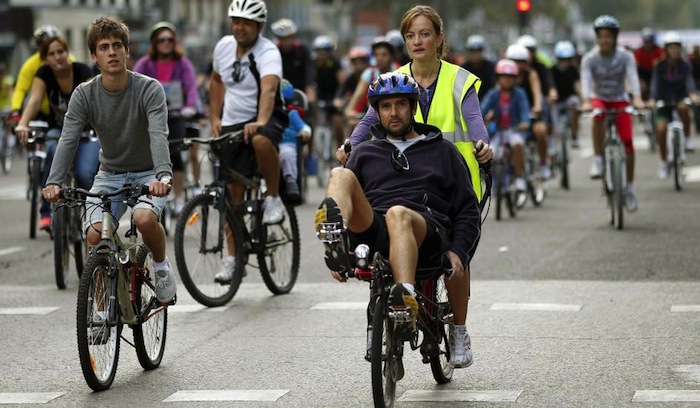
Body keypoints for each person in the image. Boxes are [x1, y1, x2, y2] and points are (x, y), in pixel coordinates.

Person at [315, 72, 481, 368]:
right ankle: (334, 238)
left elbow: (467, 209)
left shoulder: (443, 150)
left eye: (401, 105)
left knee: (398, 213)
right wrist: (350, 252)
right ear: (377, 112)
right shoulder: (365, 152)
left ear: (413, 107)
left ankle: (405, 301)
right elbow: (356, 202)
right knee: (340, 174)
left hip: (426, 230)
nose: (394, 112)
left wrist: (459, 250)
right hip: (376, 227)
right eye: (386, 106)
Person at [42, 17, 176, 304]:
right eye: (104, 47)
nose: (112, 52)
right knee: (94, 236)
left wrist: (163, 176)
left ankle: (161, 267)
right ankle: (102, 308)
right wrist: (53, 182)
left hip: (148, 174)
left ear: (127, 52)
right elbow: (68, 139)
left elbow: (158, 135)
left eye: (117, 46)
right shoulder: (85, 93)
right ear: (94, 56)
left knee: (143, 218)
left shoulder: (149, 89)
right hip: (110, 173)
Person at [347, 5, 492, 205]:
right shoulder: (394, 79)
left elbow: (474, 119)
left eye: (425, 34)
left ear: (439, 38)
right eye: (410, 35)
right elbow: (370, 119)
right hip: (407, 180)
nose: (417, 41)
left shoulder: (459, 79)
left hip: (456, 182)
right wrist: (350, 145)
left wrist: (483, 145)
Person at [209, 0, 289, 283]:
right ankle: (234, 259)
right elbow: (217, 80)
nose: (240, 27)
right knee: (231, 196)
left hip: (267, 115)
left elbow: (269, 90)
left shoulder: (268, 52)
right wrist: (215, 117)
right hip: (232, 121)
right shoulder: (223, 47)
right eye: (236, 21)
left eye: (247, 23)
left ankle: (273, 197)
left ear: (259, 27)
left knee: (260, 140)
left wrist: (261, 121)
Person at [14, 36, 99, 233]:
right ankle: (48, 210)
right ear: (45, 59)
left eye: (60, 51)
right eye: (51, 54)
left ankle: (93, 218)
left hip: (86, 132)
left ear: (67, 52)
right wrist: (23, 124)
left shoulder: (82, 70)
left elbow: (95, 100)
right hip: (58, 131)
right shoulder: (44, 74)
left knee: (85, 174)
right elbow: (34, 101)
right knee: (51, 150)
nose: (57, 57)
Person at [133, 21, 199, 215]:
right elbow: (135, 86)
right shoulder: (145, 64)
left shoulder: (183, 64)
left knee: (176, 153)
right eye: (162, 40)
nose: (166, 43)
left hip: (176, 115)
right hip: (151, 117)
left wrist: (190, 107)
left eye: (170, 39)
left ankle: (178, 197)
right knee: (150, 154)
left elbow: (191, 87)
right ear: (154, 42)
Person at [581, 15, 644, 211]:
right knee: (597, 114)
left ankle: (630, 189)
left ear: (615, 37)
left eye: (608, 36)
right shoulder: (589, 58)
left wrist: (638, 98)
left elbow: (633, 78)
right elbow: (585, 81)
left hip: (619, 99)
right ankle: (599, 160)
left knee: (628, 142)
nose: (604, 40)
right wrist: (585, 100)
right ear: (597, 38)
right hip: (599, 97)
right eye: (601, 36)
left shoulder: (626, 56)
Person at [649, 31, 700, 178]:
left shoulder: (685, 66)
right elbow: (655, 84)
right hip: (663, 102)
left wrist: (692, 95)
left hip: (680, 99)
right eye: (671, 47)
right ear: (665, 50)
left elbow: (689, 82)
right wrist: (652, 98)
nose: (675, 50)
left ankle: (687, 138)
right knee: (661, 129)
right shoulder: (659, 66)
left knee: (684, 107)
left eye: (677, 47)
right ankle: (664, 161)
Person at [480, 59, 530, 200]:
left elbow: (525, 111)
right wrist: (479, 121)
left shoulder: (519, 94)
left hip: (515, 130)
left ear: (515, 79)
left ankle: (519, 178)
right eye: (504, 77)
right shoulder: (493, 94)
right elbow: (481, 110)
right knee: (492, 154)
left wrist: (525, 122)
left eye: (510, 77)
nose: (507, 80)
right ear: (498, 78)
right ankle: (496, 183)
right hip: (497, 132)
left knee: (517, 145)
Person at [10, 26, 72, 125]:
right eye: (46, 49)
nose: (56, 57)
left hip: (66, 109)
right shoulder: (30, 65)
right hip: (42, 112)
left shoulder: (69, 60)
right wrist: (16, 110)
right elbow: (21, 89)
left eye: (59, 51)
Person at [505, 43, 550, 180]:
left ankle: (543, 163)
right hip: (511, 115)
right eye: (513, 61)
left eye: (520, 62)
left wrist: (537, 107)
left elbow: (537, 93)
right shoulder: (504, 75)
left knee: (540, 131)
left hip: (531, 114)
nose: (517, 65)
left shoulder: (531, 75)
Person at [344, 37, 395, 126]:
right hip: (373, 117)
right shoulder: (369, 74)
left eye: (384, 54)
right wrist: (349, 111)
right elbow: (357, 95)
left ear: (391, 56)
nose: (380, 58)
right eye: (376, 55)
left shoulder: (399, 72)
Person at [279, 79, 311, 202]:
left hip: (287, 144)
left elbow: (304, 127)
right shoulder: (267, 113)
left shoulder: (292, 113)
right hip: (272, 142)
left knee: (287, 154)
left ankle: (290, 180)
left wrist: (305, 132)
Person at [271, 18, 316, 104]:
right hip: (280, 91)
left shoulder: (302, 50)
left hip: (301, 91)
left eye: (290, 38)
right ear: (279, 39)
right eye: (284, 39)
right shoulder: (273, 52)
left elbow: (309, 69)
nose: (288, 42)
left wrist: (309, 88)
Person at [312, 35, 345, 150]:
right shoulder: (313, 64)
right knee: (310, 123)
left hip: (334, 97)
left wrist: (339, 99)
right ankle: (311, 154)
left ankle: (341, 150)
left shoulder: (335, 64)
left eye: (325, 51)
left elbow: (342, 84)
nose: (322, 54)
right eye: (319, 51)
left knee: (337, 123)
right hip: (318, 97)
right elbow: (310, 83)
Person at [551, 40, 582, 148]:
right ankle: (554, 143)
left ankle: (574, 135)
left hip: (569, 99)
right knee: (552, 120)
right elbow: (550, 85)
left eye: (567, 59)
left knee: (575, 104)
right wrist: (552, 93)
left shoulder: (573, 70)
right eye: (562, 60)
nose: (564, 62)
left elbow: (577, 84)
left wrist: (583, 97)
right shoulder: (552, 70)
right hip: (556, 101)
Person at [461, 35, 495, 100]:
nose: (475, 54)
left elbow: (492, 87)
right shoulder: (463, 68)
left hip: (487, 101)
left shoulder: (490, 67)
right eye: (473, 51)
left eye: (478, 51)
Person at [634, 28, 663, 101]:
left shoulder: (659, 51)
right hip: (643, 75)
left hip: (656, 74)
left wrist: (659, 61)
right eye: (646, 41)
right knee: (642, 87)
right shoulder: (639, 52)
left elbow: (663, 60)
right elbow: (636, 65)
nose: (648, 44)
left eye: (650, 41)